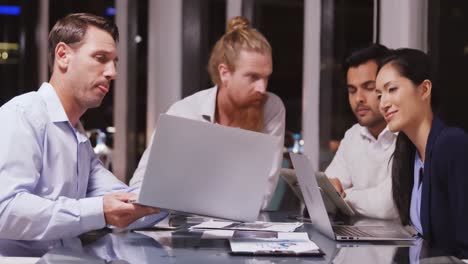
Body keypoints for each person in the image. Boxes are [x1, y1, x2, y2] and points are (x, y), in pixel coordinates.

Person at [0, 13, 164, 242]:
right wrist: (99, 211)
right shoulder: (22, 115)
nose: (112, 73)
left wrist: (172, 198)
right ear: (63, 55)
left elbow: (125, 201)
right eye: (100, 58)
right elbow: (5, 211)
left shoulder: (76, 134)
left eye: (114, 62)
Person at [130, 16, 285, 210]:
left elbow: (261, 197)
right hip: (179, 224)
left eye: (266, 78)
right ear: (224, 73)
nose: (262, 88)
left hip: (240, 225)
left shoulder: (271, 107)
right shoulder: (184, 112)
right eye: (253, 77)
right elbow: (140, 186)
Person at [376, 48, 468, 258]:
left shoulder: (452, 144)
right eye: (380, 95)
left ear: (424, 89)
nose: (383, 104)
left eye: (392, 89)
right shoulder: (408, 153)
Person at [325, 44, 398, 219]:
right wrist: (333, 194)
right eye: (352, 90)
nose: (358, 99)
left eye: (368, 87)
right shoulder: (353, 135)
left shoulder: (405, 133)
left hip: (402, 244)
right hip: (359, 239)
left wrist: (344, 196)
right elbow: (325, 191)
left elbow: (388, 206)